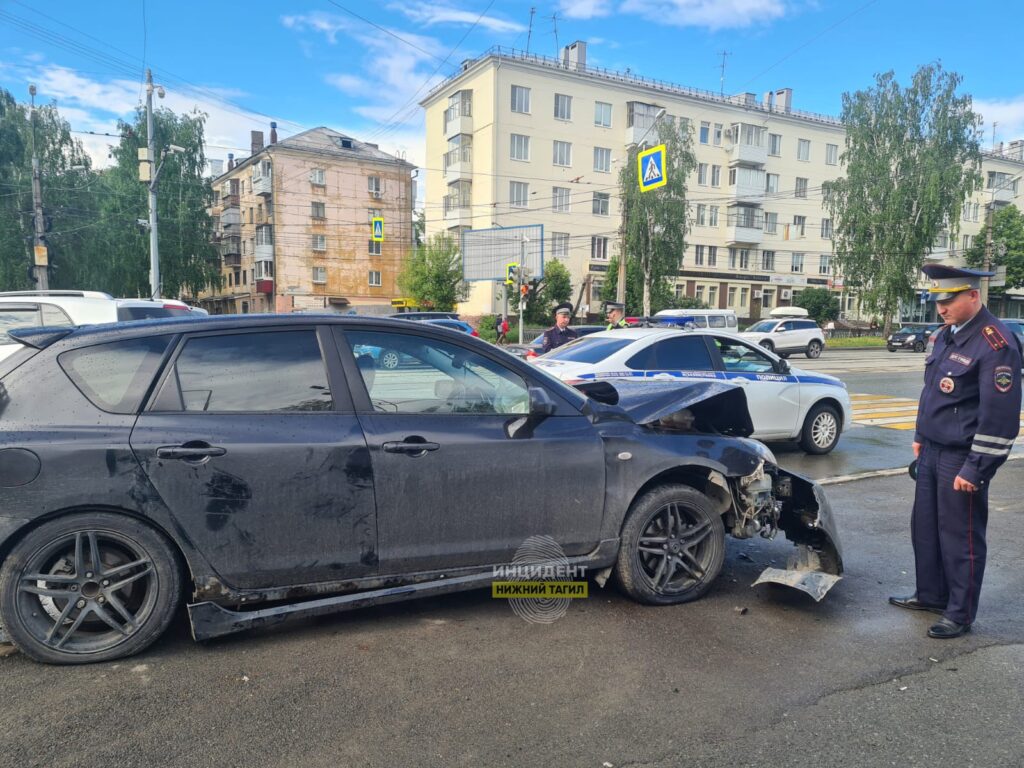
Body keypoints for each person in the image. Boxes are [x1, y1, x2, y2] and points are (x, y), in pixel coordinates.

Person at [889, 264, 1022, 639]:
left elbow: (1000, 418)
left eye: (949, 301)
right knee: (926, 529)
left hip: (961, 457)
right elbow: (932, 390)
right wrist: (920, 433)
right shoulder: (947, 336)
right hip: (932, 450)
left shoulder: (996, 342)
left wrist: (976, 468)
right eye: (937, 301)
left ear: (973, 296)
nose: (941, 309)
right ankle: (931, 595)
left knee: (959, 535)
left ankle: (960, 613)